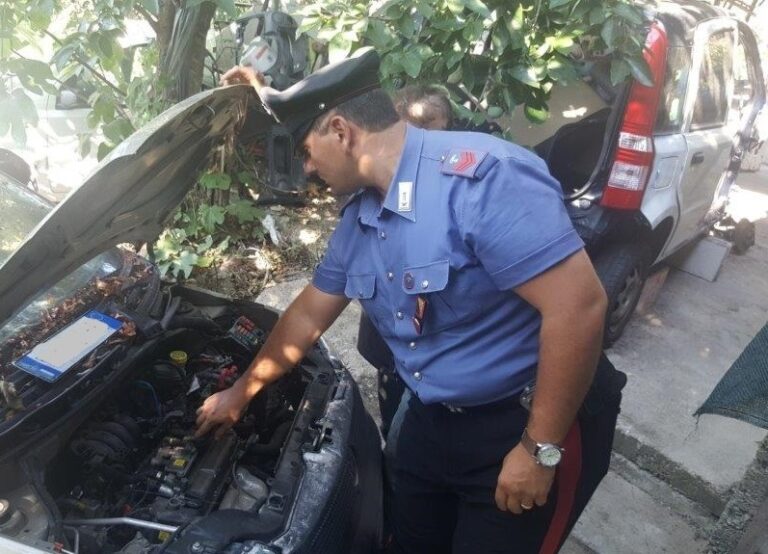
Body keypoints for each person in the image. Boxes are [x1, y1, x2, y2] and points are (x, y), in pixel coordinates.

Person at [200, 49, 624, 553]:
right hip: (430, 416)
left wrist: (539, 449)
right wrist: (240, 392)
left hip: (524, 420)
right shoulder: (359, 219)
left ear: (341, 131)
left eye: (307, 151)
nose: (308, 169)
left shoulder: (483, 180)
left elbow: (578, 308)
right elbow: (310, 313)